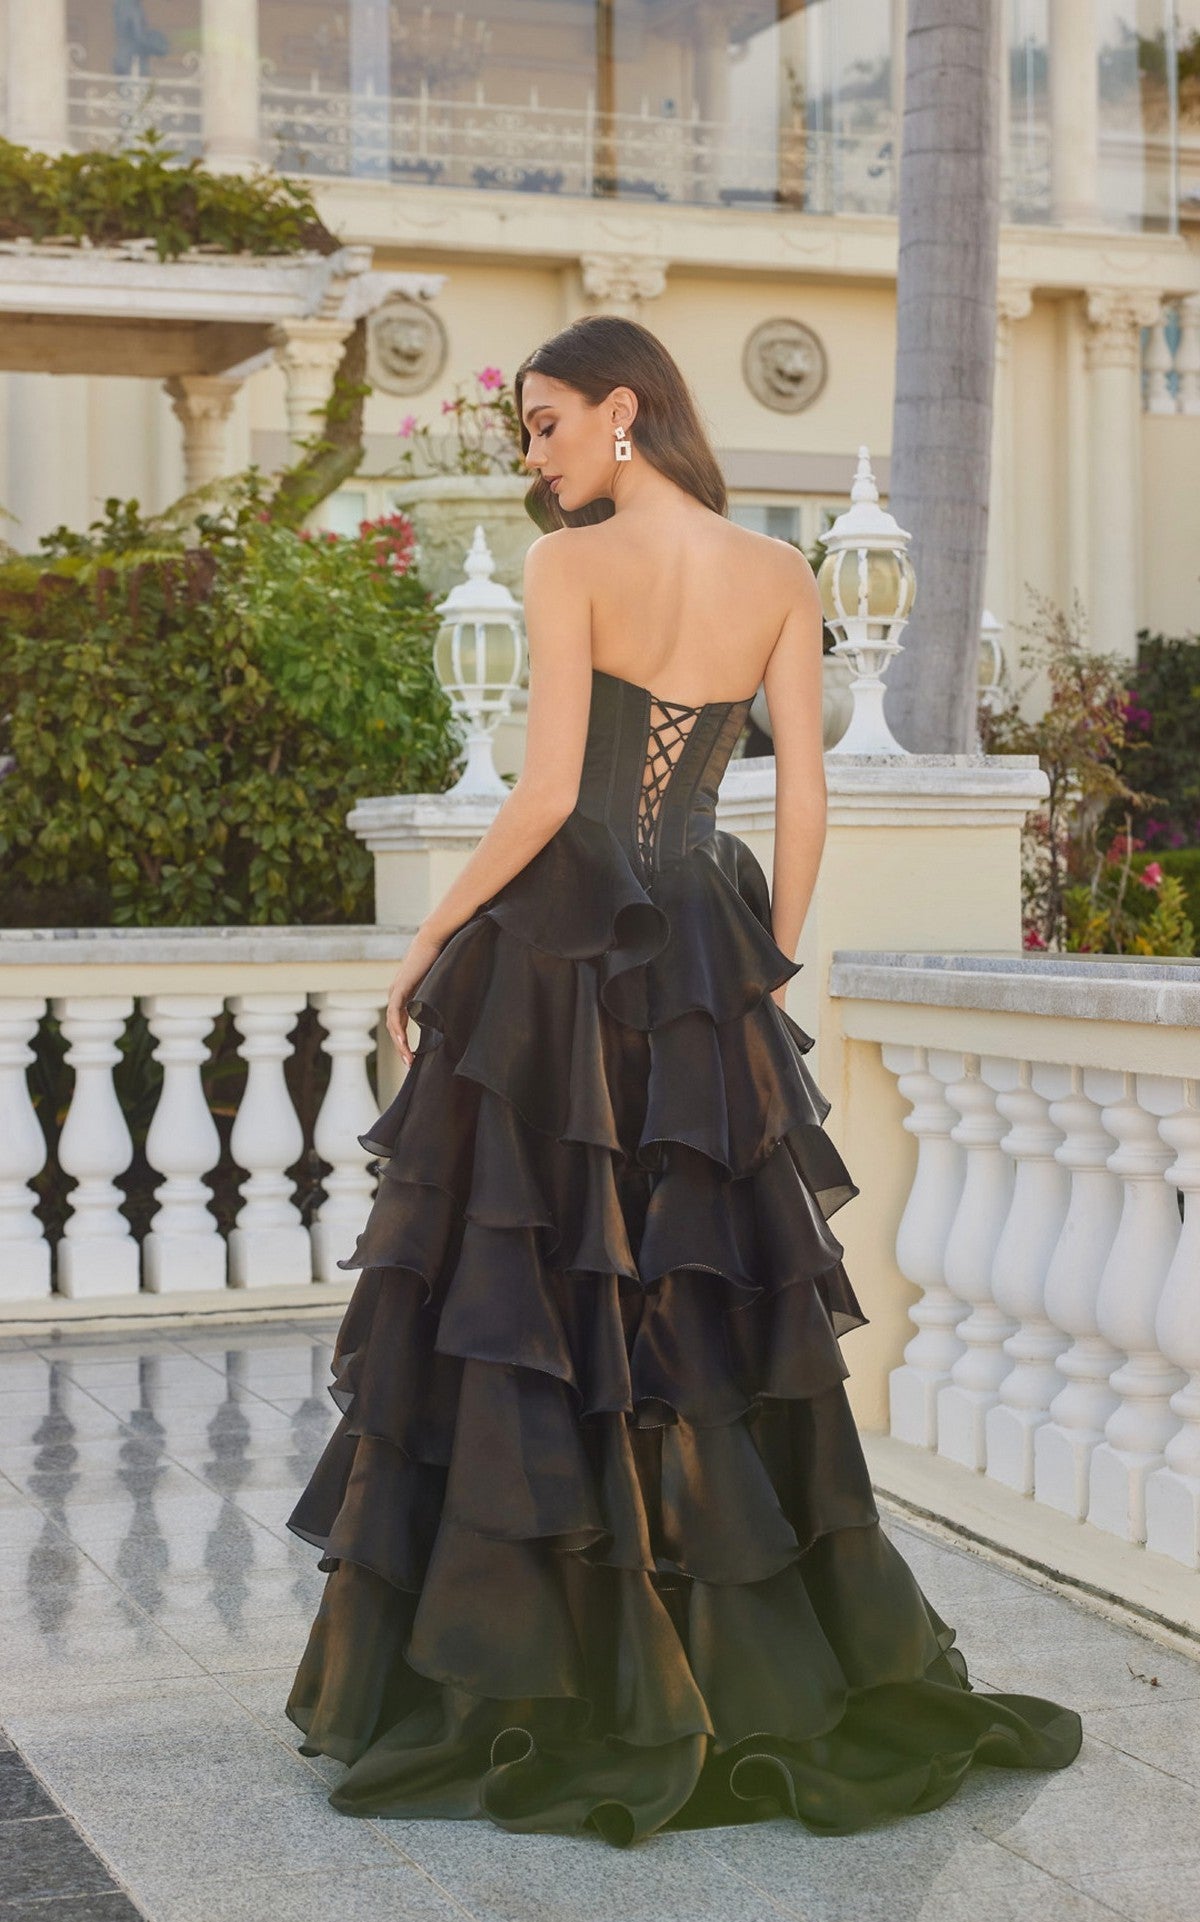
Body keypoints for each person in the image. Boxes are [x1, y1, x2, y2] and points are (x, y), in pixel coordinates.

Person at [283, 315, 1083, 1844]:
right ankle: (730, 1653)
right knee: (696, 1307)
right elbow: (806, 790)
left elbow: (540, 797)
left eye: (544, 425)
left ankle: (549, 1664)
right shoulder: (778, 574)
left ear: (621, 413)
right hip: (703, 958)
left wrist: (429, 937)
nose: (536, 456)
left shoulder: (571, 569)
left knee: (539, 1304)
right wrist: (756, 966)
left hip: (564, 964)